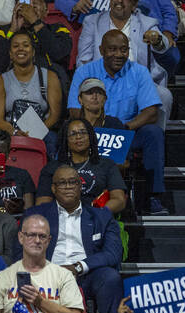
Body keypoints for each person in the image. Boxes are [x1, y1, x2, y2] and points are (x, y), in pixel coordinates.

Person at [19, 164, 123, 313]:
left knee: (111, 279)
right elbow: (20, 250)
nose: (68, 187)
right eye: (62, 183)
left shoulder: (101, 216)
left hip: (86, 275)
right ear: (53, 188)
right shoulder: (36, 215)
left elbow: (113, 253)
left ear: (80, 186)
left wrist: (78, 267)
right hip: (46, 274)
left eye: (72, 182)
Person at [66, 30, 168, 214]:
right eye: (112, 49)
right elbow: (74, 110)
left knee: (154, 133)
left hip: (128, 131)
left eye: (123, 50)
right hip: (92, 132)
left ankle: (153, 196)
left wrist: (122, 129)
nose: (119, 55)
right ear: (101, 50)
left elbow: (151, 112)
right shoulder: (85, 71)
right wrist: (95, 129)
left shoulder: (139, 72)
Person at [37, 118, 129, 214]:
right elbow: (42, 203)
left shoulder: (107, 165)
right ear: (66, 140)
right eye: (73, 134)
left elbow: (119, 200)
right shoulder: (52, 168)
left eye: (83, 132)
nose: (78, 137)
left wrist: (99, 215)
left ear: (91, 136)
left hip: (97, 219)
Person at [0, 29, 63, 138]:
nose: (20, 49)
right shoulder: (0, 81)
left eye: (26, 45)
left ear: (33, 52)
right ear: (10, 54)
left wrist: (36, 133)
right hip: (11, 135)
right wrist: (15, 132)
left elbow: (55, 115)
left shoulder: (50, 77)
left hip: (44, 133)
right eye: (15, 46)